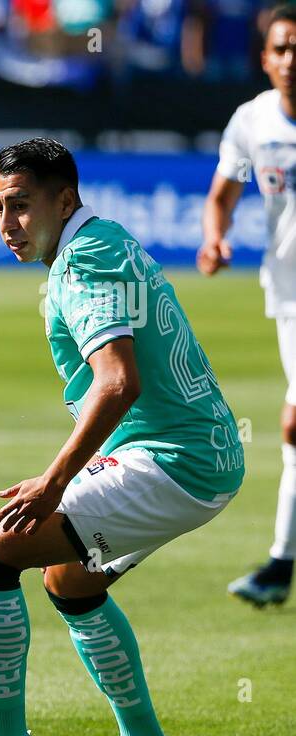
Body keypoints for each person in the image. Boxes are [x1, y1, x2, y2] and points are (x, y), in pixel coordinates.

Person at [0, 138, 244, 736]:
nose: (6, 224)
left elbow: (117, 382)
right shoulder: (99, 241)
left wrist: (56, 480)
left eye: (20, 206)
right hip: (195, 454)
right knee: (69, 580)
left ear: (64, 199)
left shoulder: (88, 256)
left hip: (177, 461)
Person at [200, 4, 296, 607]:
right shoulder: (252, 123)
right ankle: (282, 565)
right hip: (288, 292)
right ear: (265, 59)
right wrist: (215, 237)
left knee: (293, 423)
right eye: (282, 48)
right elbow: (222, 195)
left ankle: (281, 562)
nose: (292, 59)